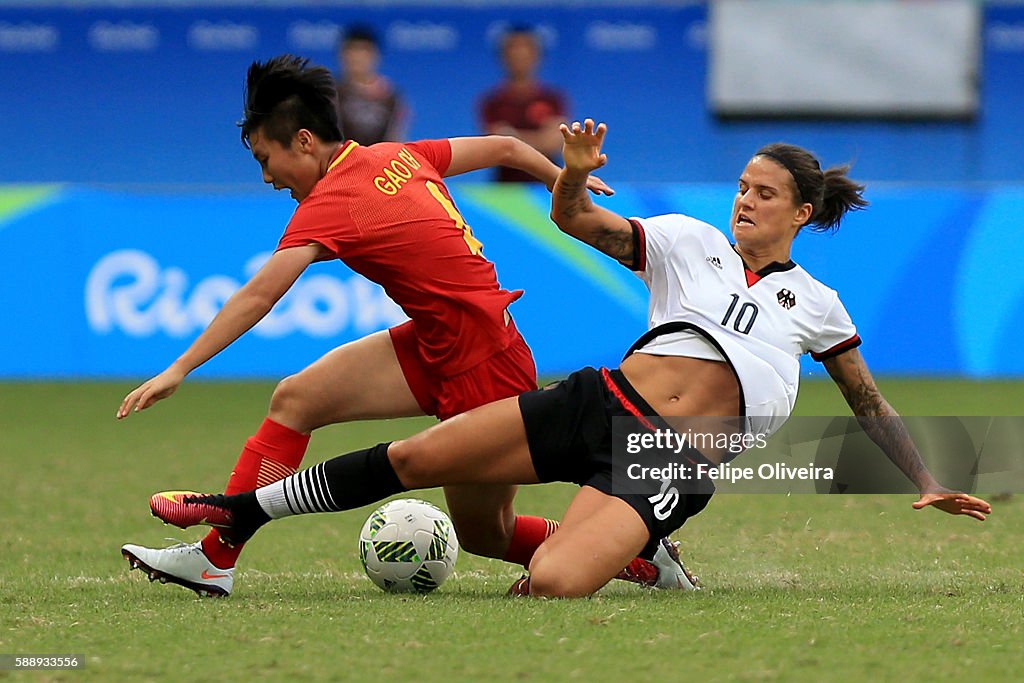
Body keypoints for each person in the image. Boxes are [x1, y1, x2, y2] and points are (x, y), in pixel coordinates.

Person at [144, 119, 992, 598]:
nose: (744, 200)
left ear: (801, 212)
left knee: (550, 583)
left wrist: (922, 478)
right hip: (598, 398)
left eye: (763, 193)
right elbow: (575, 222)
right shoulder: (687, 240)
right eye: (740, 184)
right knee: (413, 456)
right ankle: (239, 514)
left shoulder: (818, 305)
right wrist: (572, 176)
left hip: (671, 456)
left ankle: (641, 550)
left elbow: (868, 404)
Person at [119, 56, 683, 600]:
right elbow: (509, 148)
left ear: (306, 141)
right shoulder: (397, 155)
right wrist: (564, 177)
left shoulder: (332, 202)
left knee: (488, 534)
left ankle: (636, 558)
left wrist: (180, 367)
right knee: (296, 398)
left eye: (268, 159)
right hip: (438, 343)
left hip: (485, 363)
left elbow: (260, 293)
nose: (268, 177)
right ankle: (215, 559)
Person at [478, 25, 567, 183]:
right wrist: (538, 140)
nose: (519, 55)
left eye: (526, 49)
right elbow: (497, 145)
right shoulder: (492, 101)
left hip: (548, 185)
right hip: (506, 189)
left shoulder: (553, 98)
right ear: (503, 56)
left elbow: (553, 143)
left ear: (537, 56)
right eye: (513, 49)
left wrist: (514, 138)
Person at [334, 26, 405, 145]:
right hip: (339, 161)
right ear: (342, 54)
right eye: (352, 51)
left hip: (379, 160)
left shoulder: (391, 97)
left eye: (364, 51)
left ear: (376, 55)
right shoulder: (329, 91)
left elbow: (395, 138)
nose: (357, 57)